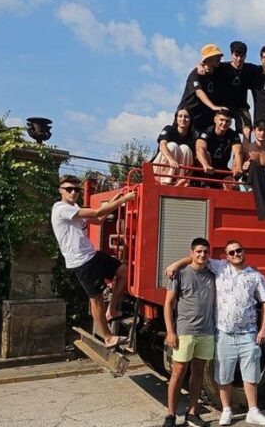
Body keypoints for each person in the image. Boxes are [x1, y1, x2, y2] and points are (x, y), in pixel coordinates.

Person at [166, 240, 265, 426]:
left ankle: (251, 411)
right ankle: (178, 415)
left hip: (241, 333)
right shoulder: (218, 268)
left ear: (244, 251)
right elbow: (196, 259)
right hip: (216, 332)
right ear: (226, 256)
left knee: (247, 373)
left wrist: (263, 328)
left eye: (238, 250)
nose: (236, 254)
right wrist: (175, 264)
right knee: (218, 373)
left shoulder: (255, 275)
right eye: (231, 252)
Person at [50, 175, 136, 349]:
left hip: (92, 254)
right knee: (96, 299)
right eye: (69, 189)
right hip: (81, 261)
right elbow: (96, 212)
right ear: (60, 191)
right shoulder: (61, 209)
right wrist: (125, 199)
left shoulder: (74, 207)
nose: (73, 192)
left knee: (124, 271)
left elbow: (98, 219)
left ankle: (112, 310)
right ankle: (108, 337)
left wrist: (113, 200)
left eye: (76, 189)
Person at [163, 238, 216, 427]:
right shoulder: (180, 275)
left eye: (205, 251)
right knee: (178, 372)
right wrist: (170, 331)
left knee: (198, 372)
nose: (202, 255)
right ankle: (170, 415)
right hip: (185, 331)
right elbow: (168, 304)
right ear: (191, 253)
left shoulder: (212, 275)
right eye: (198, 251)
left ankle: (192, 412)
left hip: (206, 332)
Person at [210, 41, 265, 142]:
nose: (239, 59)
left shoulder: (250, 69)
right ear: (231, 55)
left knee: (247, 131)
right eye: (236, 55)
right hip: (224, 106)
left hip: (241, 107)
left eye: (242, 56)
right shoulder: (222, 67)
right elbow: (207, 64)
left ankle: (245, 151)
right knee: (219, 127)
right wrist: (199, 66)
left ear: (245, 56)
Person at [178, 44, 227, 133]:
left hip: (205, 119)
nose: (219, 58)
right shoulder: (195, 74)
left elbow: (233, 64)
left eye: (220, 56)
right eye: (216, 56)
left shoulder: (219, 69)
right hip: (189, 116)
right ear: (208, 58)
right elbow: (199, 92)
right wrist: (213, 107)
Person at [196, 109, 243, 190]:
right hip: (207, 168)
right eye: (221, 120)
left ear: (230, 123)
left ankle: (227, 187)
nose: (224, 123)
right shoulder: (207, 131)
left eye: (227, 121)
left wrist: (238, 166)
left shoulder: (233, 134)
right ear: (215, 120)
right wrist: (205, 164)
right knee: (205, 153)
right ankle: (205, 182)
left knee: (232, 185)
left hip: (222, 168)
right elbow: (200, 148)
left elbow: (238, 152)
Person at [153, 108, 195, 186]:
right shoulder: (169, 129)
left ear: (190, 120)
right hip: (158, 171)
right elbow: (162, 145)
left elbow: (193, 161)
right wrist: (171, 160)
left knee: (185, 148)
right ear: (176, 119)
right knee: (173, 146)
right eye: (180, 116)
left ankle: (180, 181)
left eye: (186, 117)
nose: (183, 119)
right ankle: (166, 181)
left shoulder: (193, 137)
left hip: (179, 177)